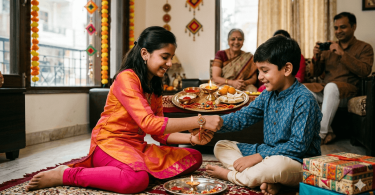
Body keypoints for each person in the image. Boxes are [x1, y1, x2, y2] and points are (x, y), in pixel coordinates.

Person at [25, 26, 223, 194]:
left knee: (194, 157)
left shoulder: (153, 85)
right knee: (136, 180)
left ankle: (124, 170)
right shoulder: (126, 78)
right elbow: (149, 123)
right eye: (165, 57)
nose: (170, 64)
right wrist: (201, 121)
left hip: (136, 147)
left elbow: (160, 135)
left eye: (171, 58)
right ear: (145, 53)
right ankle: (67, 174)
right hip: (109, 144)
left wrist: (192, 139)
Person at [206, 35, 322, 195]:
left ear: (287, 69)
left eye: (265, 71)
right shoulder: (268, 95)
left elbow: (297, 147)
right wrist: (213, 123)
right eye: (259, 70)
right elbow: (241, 118)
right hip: (266, 155)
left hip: (296, 162)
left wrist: (258, 157)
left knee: (276, 165)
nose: (260, 77)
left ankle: (232, 175)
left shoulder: (304, 99)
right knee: (221, 146)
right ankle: (269, 180)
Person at [304, 12, 374, 144]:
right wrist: (316, 57)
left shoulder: (365, 48)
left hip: (349, 92)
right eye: (336, 28)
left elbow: (365, 71)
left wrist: (342, 53)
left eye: (343, 27)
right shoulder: (329, 48)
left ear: (354, 27)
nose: (338, 31)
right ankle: (329, 132)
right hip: (326, 91)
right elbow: (315, 73)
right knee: (302, 90)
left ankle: (320, 135)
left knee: (331, 87)